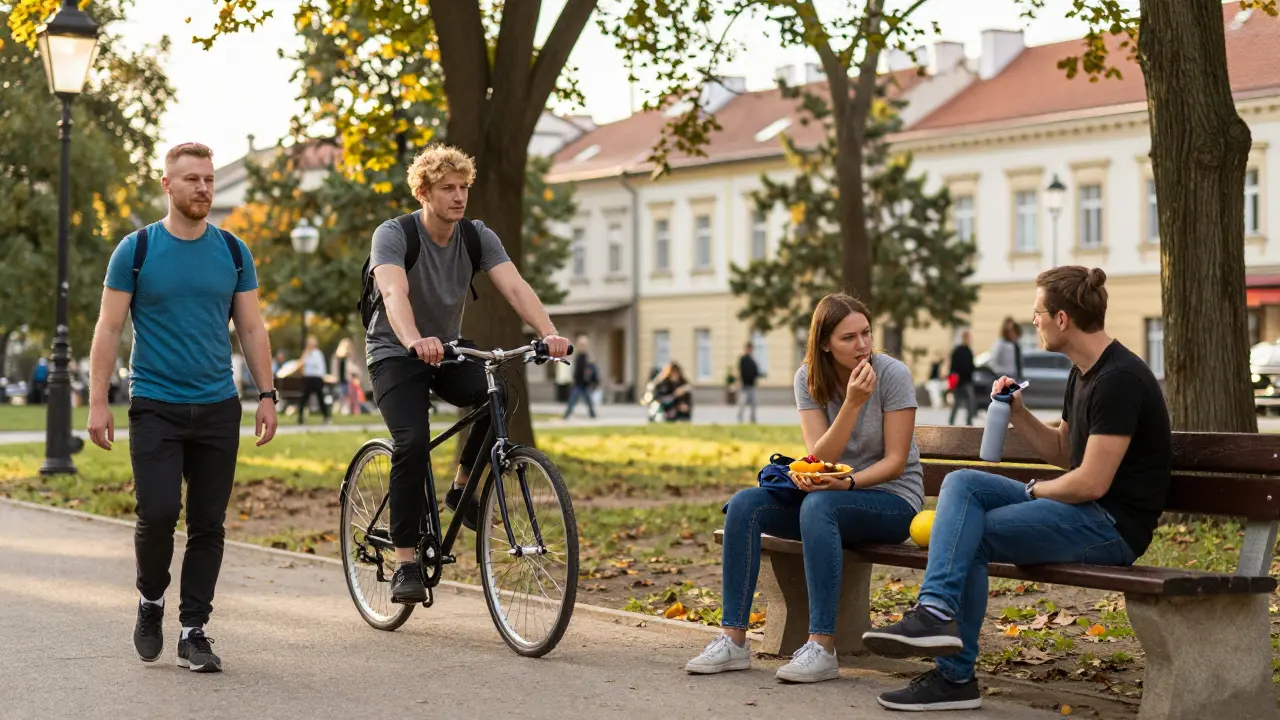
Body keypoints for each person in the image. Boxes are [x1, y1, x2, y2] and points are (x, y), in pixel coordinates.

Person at [863, 267, 1171, 711]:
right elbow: (1067, 452)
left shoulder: (1119, 380)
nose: (1034, 321)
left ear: (1062, 319)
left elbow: (1091, 481)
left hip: (1111, 526)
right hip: (1083, 510)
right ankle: (935, 612)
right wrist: (1020, 414)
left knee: (974, 532)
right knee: (962, 483)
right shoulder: (1083, 372)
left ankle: (953, 674)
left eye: (1038, 313)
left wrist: (1031, 493)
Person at [86, 142, 279, 674]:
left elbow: (252, 327)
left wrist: (267, 394)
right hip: (155, 405)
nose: (203, 189)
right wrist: (97, 401)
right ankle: (151, 602)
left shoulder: (234, 251)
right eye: (192, 179)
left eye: (209, 180)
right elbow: (108, 327)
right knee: (158, 513)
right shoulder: (137, 249)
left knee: (208, 523)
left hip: (219, 406)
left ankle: (194, 630)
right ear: (168, 186)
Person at [364, 144, 569, 605]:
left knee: (498, 392)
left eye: (463, 188)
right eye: (447, 189)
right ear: (423, 193)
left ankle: (460, 491)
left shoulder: (477, 236)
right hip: (395, 351)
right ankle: (405, 562)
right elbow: (394, 293)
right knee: (412, 442)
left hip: (448, 349)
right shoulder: (394, 234)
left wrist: (549, 332)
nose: (458, 197)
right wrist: (415, 339)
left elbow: (515, 285)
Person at [685, 293, 923, 682]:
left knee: (819, 508)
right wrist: (850, 405)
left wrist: (846, 483)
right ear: (825, 342)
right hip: (831, 495)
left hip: (891, 501)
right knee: (746, 504)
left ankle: (821, 646)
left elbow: (895, 462)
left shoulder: (892, 374)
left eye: (866, 333)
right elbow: (817, 455)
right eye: (849, 338)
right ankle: (732, 640)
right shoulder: (808, 377)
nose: (862, 345)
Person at [563, 334, 597, 419]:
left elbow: (592, 368)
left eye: (584, 344)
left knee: (588, 400)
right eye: (581, 344)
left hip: (585, 383)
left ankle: (592, 414)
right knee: (573, 400)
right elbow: (576, 369)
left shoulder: (587, 356)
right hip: (578, 382)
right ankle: (566, 415)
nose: (583, 346)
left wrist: (592, 379)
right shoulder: (578, 355)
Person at [298, 337, 331, 425]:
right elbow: (301, 364)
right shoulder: (306, 354)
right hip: (308, 378)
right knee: (304, 398)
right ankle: (300, 417)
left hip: (316, 378)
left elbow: (321, 367)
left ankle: (326, 416)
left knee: (320, 398)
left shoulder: (318, 353)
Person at [947, 330, 976, 426]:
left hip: (967, 381)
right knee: (957, 403)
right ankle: (951, 421)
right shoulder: (958, 350)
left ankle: (969, 421)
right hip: (959, 382)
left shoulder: (969, 351)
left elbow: (971, 366)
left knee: (971, 401)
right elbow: (953, 367)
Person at [737, 341, 761, 423]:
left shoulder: (752, 361)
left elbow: (755, 372)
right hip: (745, 385)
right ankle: (740, 419)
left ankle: (752, 419)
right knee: (742, 403)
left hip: (752, 385)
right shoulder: (743, 360)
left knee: (754, 403)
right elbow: (742, 372)